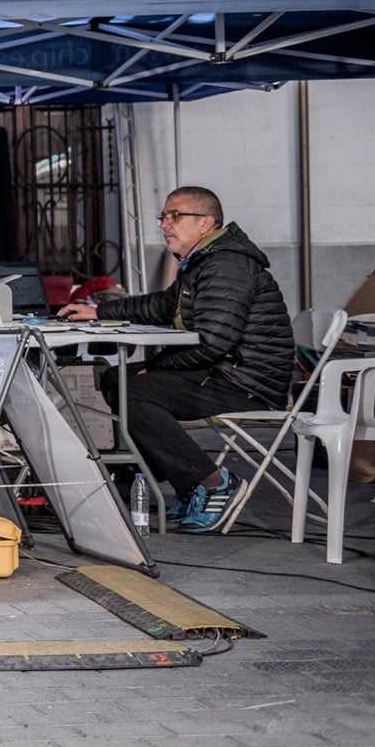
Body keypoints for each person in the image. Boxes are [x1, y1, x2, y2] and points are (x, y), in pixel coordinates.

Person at [60, 186, 294, 532]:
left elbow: (214, 342)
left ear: (206, 223)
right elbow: (163, 306)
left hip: (245, 380)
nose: (165, 224)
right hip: (225, 371)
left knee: (134, 389)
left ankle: (213, 483)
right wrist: (98, 311)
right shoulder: (204, 261)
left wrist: (154, 366)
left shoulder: (226, 265)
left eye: (176, 216)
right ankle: (175, 480)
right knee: (116, 379)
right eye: (163, 217)